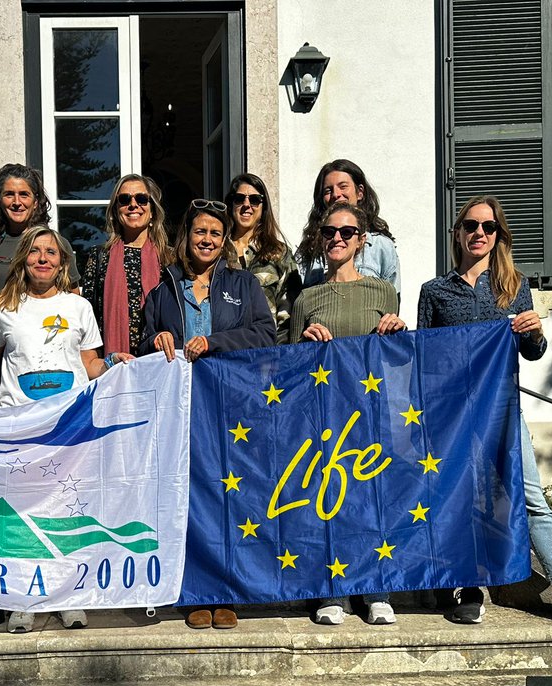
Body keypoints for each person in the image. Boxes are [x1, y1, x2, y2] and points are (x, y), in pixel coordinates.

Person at [417, 195, 552, 632]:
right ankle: (467, 585)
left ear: (499, 236)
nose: (479, 234)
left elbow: (533, 352)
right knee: (462, 496)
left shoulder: (514, 285)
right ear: (459, 233)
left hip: (504, 410)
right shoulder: (435, 292)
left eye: (488, 228)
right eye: (470, 226)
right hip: (454, 416)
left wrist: (537, 331)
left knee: (530, 497)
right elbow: (425, 361)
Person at [0, 225, 129, 634]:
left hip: (68, 427)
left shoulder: (78, 308)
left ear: (62, 263)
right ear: (24, 257)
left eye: (51, 253)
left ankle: (68, 596)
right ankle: (23, 599)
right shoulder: (3, 306)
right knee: (22, 511)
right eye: (36, 251)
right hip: (18, 423)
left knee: (65, 510)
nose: (43, 258)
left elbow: (90, 365)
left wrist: (113, 363)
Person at [139, 199, 276, 630]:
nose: (208, 239)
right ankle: (193, 592)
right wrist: (157, 337)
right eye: (200, 232)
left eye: (216, 233)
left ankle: (225, 591)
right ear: (187, 237)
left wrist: (214, 341)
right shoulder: (163, 289)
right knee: (187, 497)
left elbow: (265, 333)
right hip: (178, 410)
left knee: (230, 497)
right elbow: (145, 344)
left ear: (223, 240)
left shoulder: (244, 283)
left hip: (231, 407)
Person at [282, 202, 406, 625]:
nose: (338, 238)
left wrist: (396, 333)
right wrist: (304, 341)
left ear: (362, 240)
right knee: (327, 496)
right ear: (320, 238)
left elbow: (397, 359)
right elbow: (291, 369)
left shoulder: (382, 292)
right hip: (323, 415)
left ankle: (375, 589)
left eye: (347, 232)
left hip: (371, 411)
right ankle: (330, 589)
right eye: (330, 232)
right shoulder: (306, 298)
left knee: (371, 498)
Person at [0, 164, 81, 367]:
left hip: (38, 357)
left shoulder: (55, 245)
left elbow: (74, 301)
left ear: (36, 202)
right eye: (9, 194)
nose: (17, 202)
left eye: (24, 194)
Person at [82, 173, 174, 358]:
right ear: (116, 210)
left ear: (152, 210)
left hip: (160, 359)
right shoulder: (99, 256)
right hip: (113, 363)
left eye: (141, 198)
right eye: (124, 199)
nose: (133, 205)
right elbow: (89, 317)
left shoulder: (171, 258)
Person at [296, 159, 400, 296]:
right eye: (328, 190)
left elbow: (392, 303)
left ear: (360, 192)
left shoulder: (381, 247)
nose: (335, 194)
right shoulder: (307, 251)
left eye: (343, 186)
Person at [225, 172, 300, 329]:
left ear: (263, 207)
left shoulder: (279, 253)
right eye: (239, 199)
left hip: (265, 347)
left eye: (254, 200)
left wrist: (277, 351)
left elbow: (288, 313)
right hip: (225, 347)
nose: (247, 205)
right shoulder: (218, 251)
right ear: (231, 204)